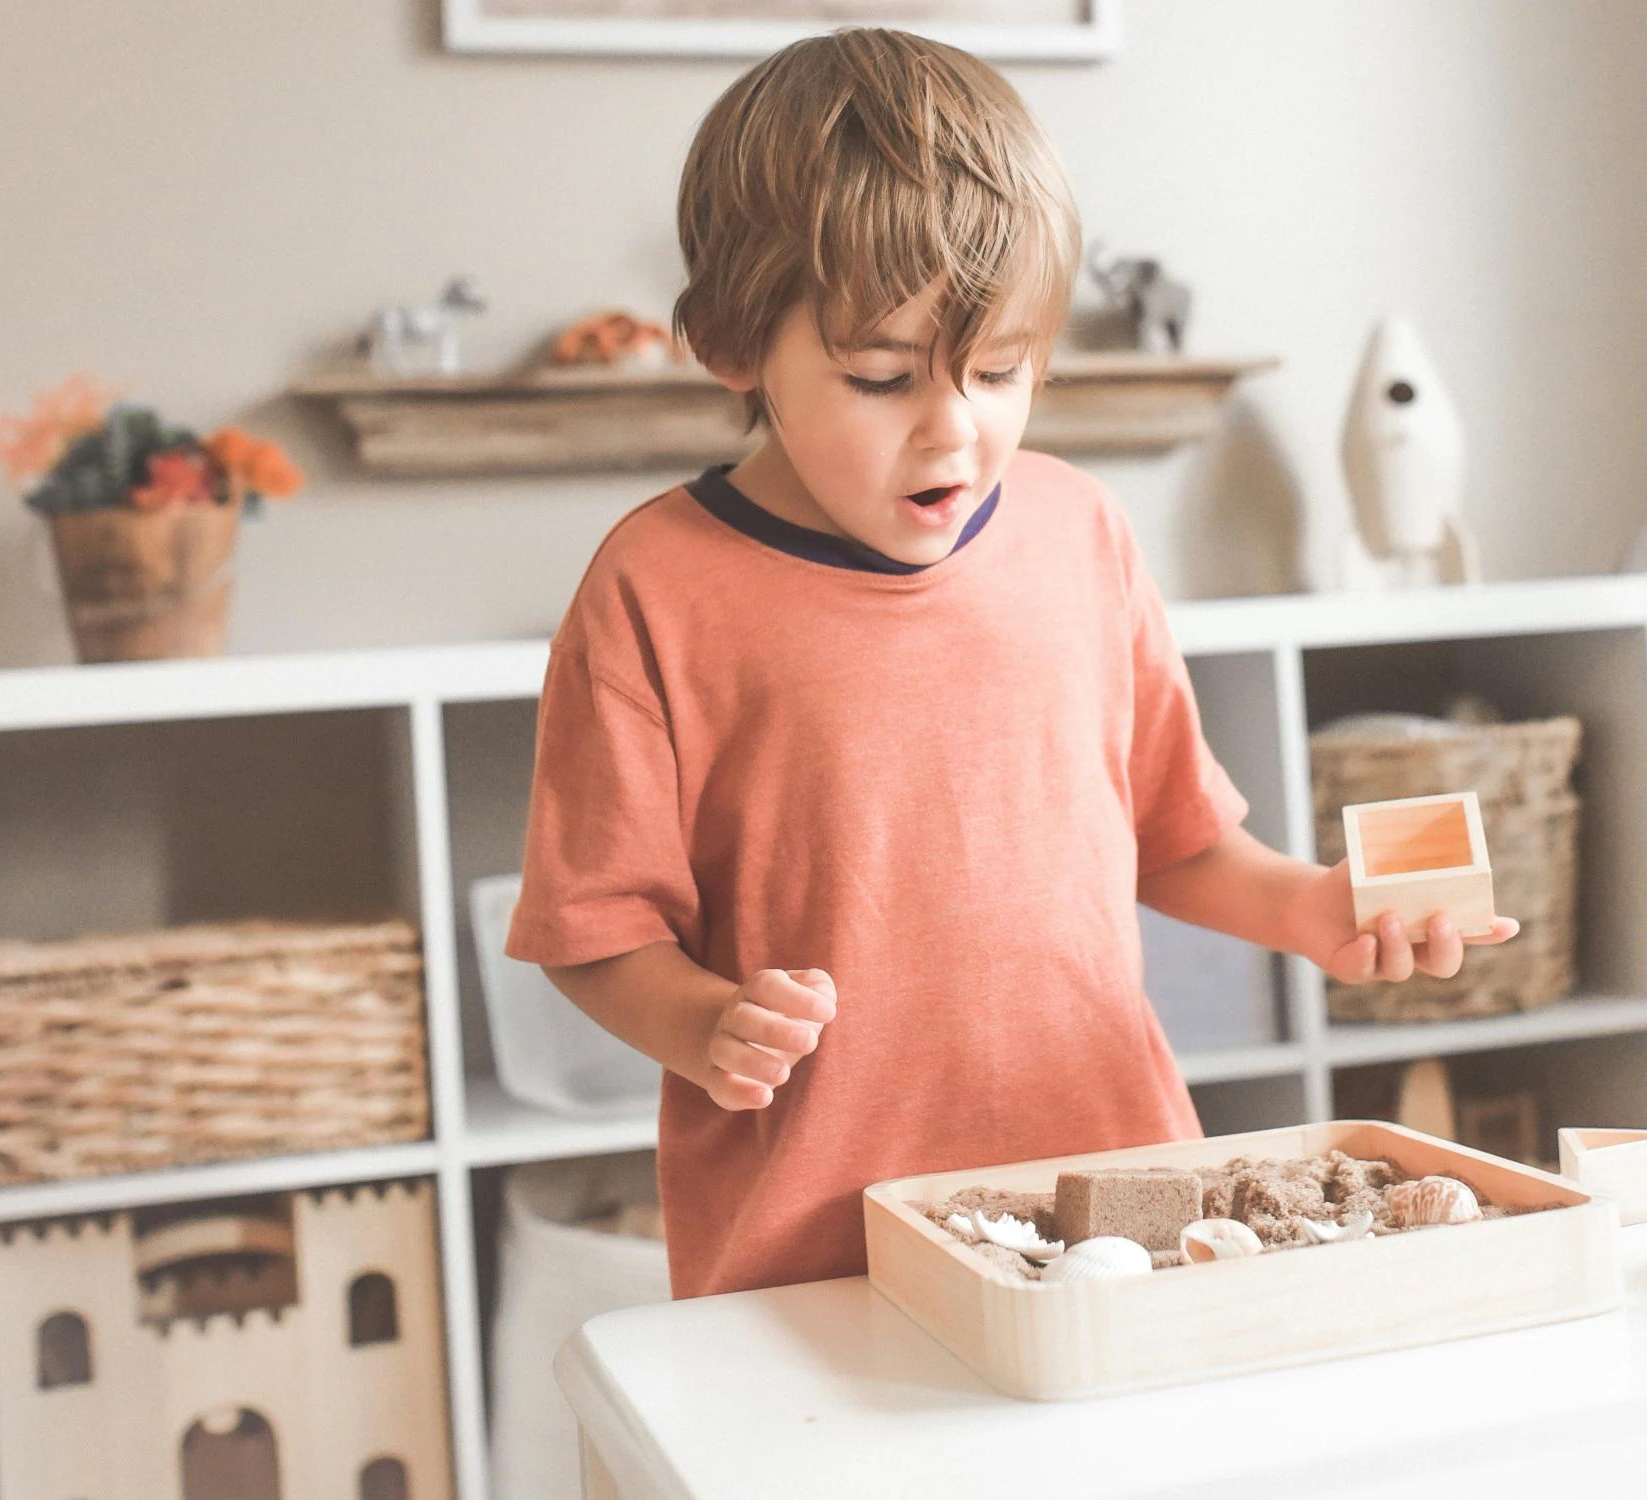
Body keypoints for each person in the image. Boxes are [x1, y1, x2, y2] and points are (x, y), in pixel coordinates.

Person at [504, 26, 1517, 1300]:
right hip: (816, 1247)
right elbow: (591, 928)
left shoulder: (1079, 531)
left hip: (1118, 1204)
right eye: (880, 378)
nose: (954, 429)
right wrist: (702, 1026)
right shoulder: (653, 587)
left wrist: (1308, 912)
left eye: (1000, 372)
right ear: (732, 345)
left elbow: (1172, 834)